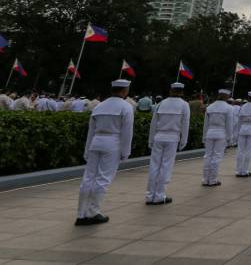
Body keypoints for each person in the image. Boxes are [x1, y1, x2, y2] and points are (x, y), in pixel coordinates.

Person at [76, 79, 134, 225]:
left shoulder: (99, 106)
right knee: (103, 179)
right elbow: (127, 133)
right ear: (125, 90)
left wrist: (87, 150)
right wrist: (125, 152)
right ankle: (94, 212)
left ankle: (81, 213)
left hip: (96, 142)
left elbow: (91, 130)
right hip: (112, 143)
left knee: (88, 178)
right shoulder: (126, 107)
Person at [146, 81, 190, 205]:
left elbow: (153, 124)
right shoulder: (184, 105)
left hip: (158, 137)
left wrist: (150, 140)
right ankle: (160, 195)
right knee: (166, 166)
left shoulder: (161, 104)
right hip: (172, 137)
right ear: (181, 92)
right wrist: (183, 141)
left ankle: (150, 195)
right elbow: (185, 124)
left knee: (154, 166)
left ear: (171, 90)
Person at [202, 89, 234, 187]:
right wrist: (230, 138)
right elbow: (229, 124)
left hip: (210, 133)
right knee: (216, 156)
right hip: (221, 133)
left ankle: (205, 180)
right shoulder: (228, 108)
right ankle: (212, 180)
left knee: (208, 156)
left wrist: (204, 137)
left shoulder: (210, 107)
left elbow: (205, 124)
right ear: (227, 97)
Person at [235, 91, 251, 177]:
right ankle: (245, 170)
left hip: (242, 129)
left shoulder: (242, 107)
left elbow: (239, 121)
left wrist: (238, 132)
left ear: (248, 97)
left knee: (240, 150)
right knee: (248, 151)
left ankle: (238, 171)